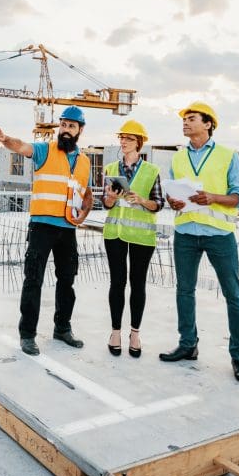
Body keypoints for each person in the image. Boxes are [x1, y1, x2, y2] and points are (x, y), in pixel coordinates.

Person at [159, 101, 239, 384]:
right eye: (184, 119)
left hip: (219, 235)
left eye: (191, 119)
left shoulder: (228, 155)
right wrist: (172, 201)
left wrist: (213, 197)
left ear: (208, 123)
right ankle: (188, 345)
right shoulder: (177, 158)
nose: (185, 123)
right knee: (184, 290)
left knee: (233, 296)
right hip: (186, 231)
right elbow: (173, 193)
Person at [0, 106, 93, 356]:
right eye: (63, 125)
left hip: (68, 228)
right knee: (33, 279)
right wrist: (6, 140)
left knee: (67, 280)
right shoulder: (45, 150)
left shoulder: (85, 162)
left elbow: (85, 193)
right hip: (42, 226)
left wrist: (84, 213)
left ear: (80, 130)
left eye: (71, 126)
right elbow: (22, 146)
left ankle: (62, 328)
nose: (66, 130)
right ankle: (27, 335)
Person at [101, 120, 163, 358]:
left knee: (138, 284)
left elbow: (158, 204)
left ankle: (134, 333)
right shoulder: (110, 168)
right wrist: (111, 199)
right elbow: (105, 204)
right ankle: (115, 332)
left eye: (128, 138)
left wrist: (142, 201)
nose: (123, 141)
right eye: (122, 138)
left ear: (139, 142)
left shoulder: (151, 171)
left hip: (142, 236)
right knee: (117, 283)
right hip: (115, 233)